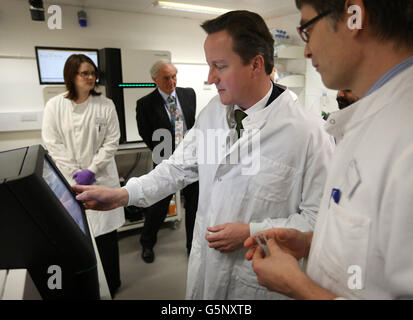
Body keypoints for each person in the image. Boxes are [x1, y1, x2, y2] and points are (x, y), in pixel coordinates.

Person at [73, 10, 334, 300]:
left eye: (219, 66)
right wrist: (123, 195)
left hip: (256, 279)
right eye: (209, 66)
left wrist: (254, 230)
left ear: (256, 64)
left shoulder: (309, 134)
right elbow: (177, 169)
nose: (210, 78)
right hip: (207, 270)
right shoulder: (213, 113)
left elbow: (317, 220)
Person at [245, 0, 413, 300]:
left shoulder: (405, 139)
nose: (307, 50)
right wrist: (314, 242)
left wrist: (298, 287)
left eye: (307, 28)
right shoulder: (369, 117)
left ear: (354, 15)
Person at [42, 54, 125, 298]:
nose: (91, 77)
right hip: (69, 180)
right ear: (71, 76)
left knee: (106, 237)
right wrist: (74, 173)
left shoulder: (105, 105)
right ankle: (86, 282)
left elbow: (112, 141)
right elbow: (52, 142)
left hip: (100, 178)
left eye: (93, 73)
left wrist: (92, 170)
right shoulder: (55, 106)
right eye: (84, 73)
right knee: (76, 235)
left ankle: (112, 282)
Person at [136, 60, 199, 262]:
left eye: (174, 76)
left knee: (194, 205)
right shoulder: (145, 104)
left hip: (191, 160)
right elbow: (145, 133)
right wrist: (166, 154)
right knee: (159, 205)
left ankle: (192, 247)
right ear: (155, 79)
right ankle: (147, 242)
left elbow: (192, 124)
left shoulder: (188, 94)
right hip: (165, 160)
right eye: (166, 78)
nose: (172, 81)